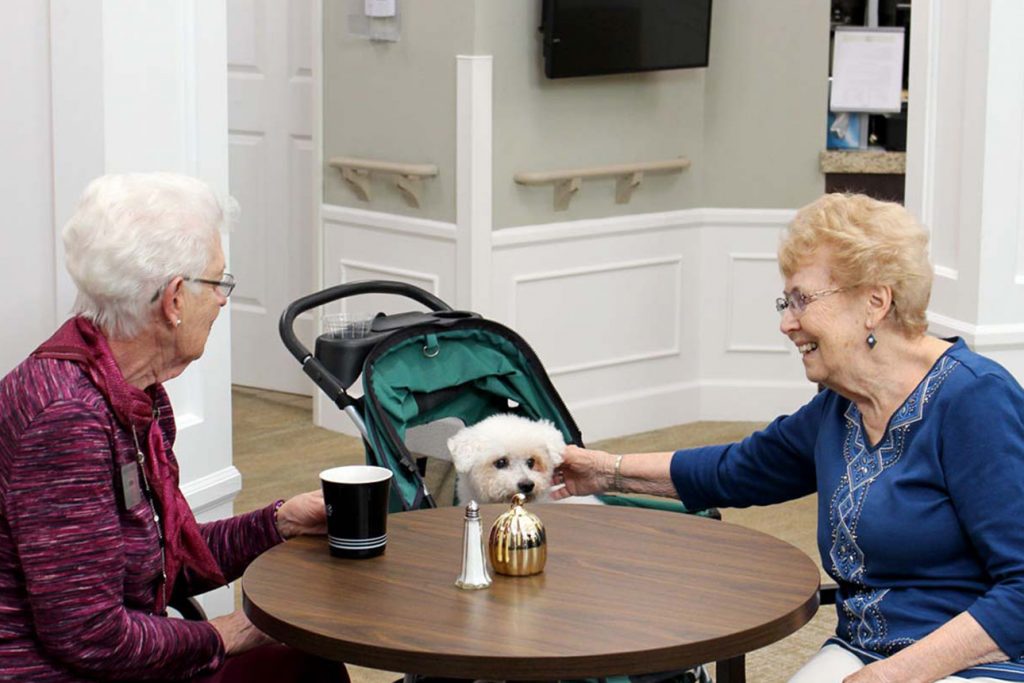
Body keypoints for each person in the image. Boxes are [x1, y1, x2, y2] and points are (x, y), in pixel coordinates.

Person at [554, 193, 1024, 683]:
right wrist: (603, 471)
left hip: (981, 659)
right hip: (867, 650)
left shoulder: (975, 401)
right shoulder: (840, 408)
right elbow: (734, 470)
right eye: (786, 302)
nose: (786, 323)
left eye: (802, 300)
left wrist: (895, 676)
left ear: (875, 302)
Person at [0, 173, 346, 682]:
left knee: (306, 663)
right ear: (176, 299)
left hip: (119, 662)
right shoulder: (68, 416)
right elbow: (90, 636)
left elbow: (159, 560)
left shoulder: (132, 395)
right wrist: (229, 632)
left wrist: (280, 522)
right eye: (218, 281)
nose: (224, 299)